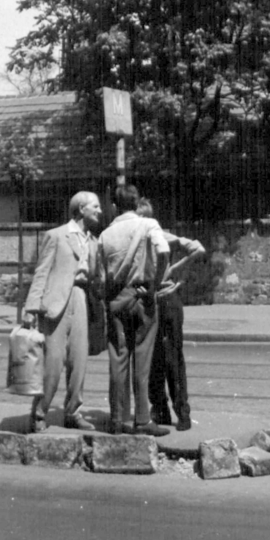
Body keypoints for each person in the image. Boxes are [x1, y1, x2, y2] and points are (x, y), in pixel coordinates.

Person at [22, 191, 103, 433]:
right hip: (56, 303)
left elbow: (97, 276)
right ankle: (39, 412)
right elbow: (42, 272)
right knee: (53, 363)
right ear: (81, 210)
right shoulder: (56, 236)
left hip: (81, 300)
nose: (100, 211)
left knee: (79, 361)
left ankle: (73, 412)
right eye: (95, 207)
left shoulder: (94, 242)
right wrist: (31, 307)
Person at [98, 184, 170, 436]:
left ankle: (117, 420)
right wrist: (155, 284)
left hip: (117, 299)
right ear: (137, 202)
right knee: (143, 360)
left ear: (114, 206)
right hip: (143, 296)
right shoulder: (148, 224)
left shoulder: (105, 235)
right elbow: (164, 251)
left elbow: (99, 275)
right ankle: (142, 419)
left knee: (118, 358)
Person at [139, 198, 205, 432]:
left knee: (158, 359)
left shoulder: (152, 236)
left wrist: (173, 269)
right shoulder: (160, 236)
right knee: (170, 358)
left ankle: (167, 410)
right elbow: (197, 249)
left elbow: (198, 249)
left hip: (159, 300)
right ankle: (176, 412)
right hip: (167, 299)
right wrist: (177, 268)